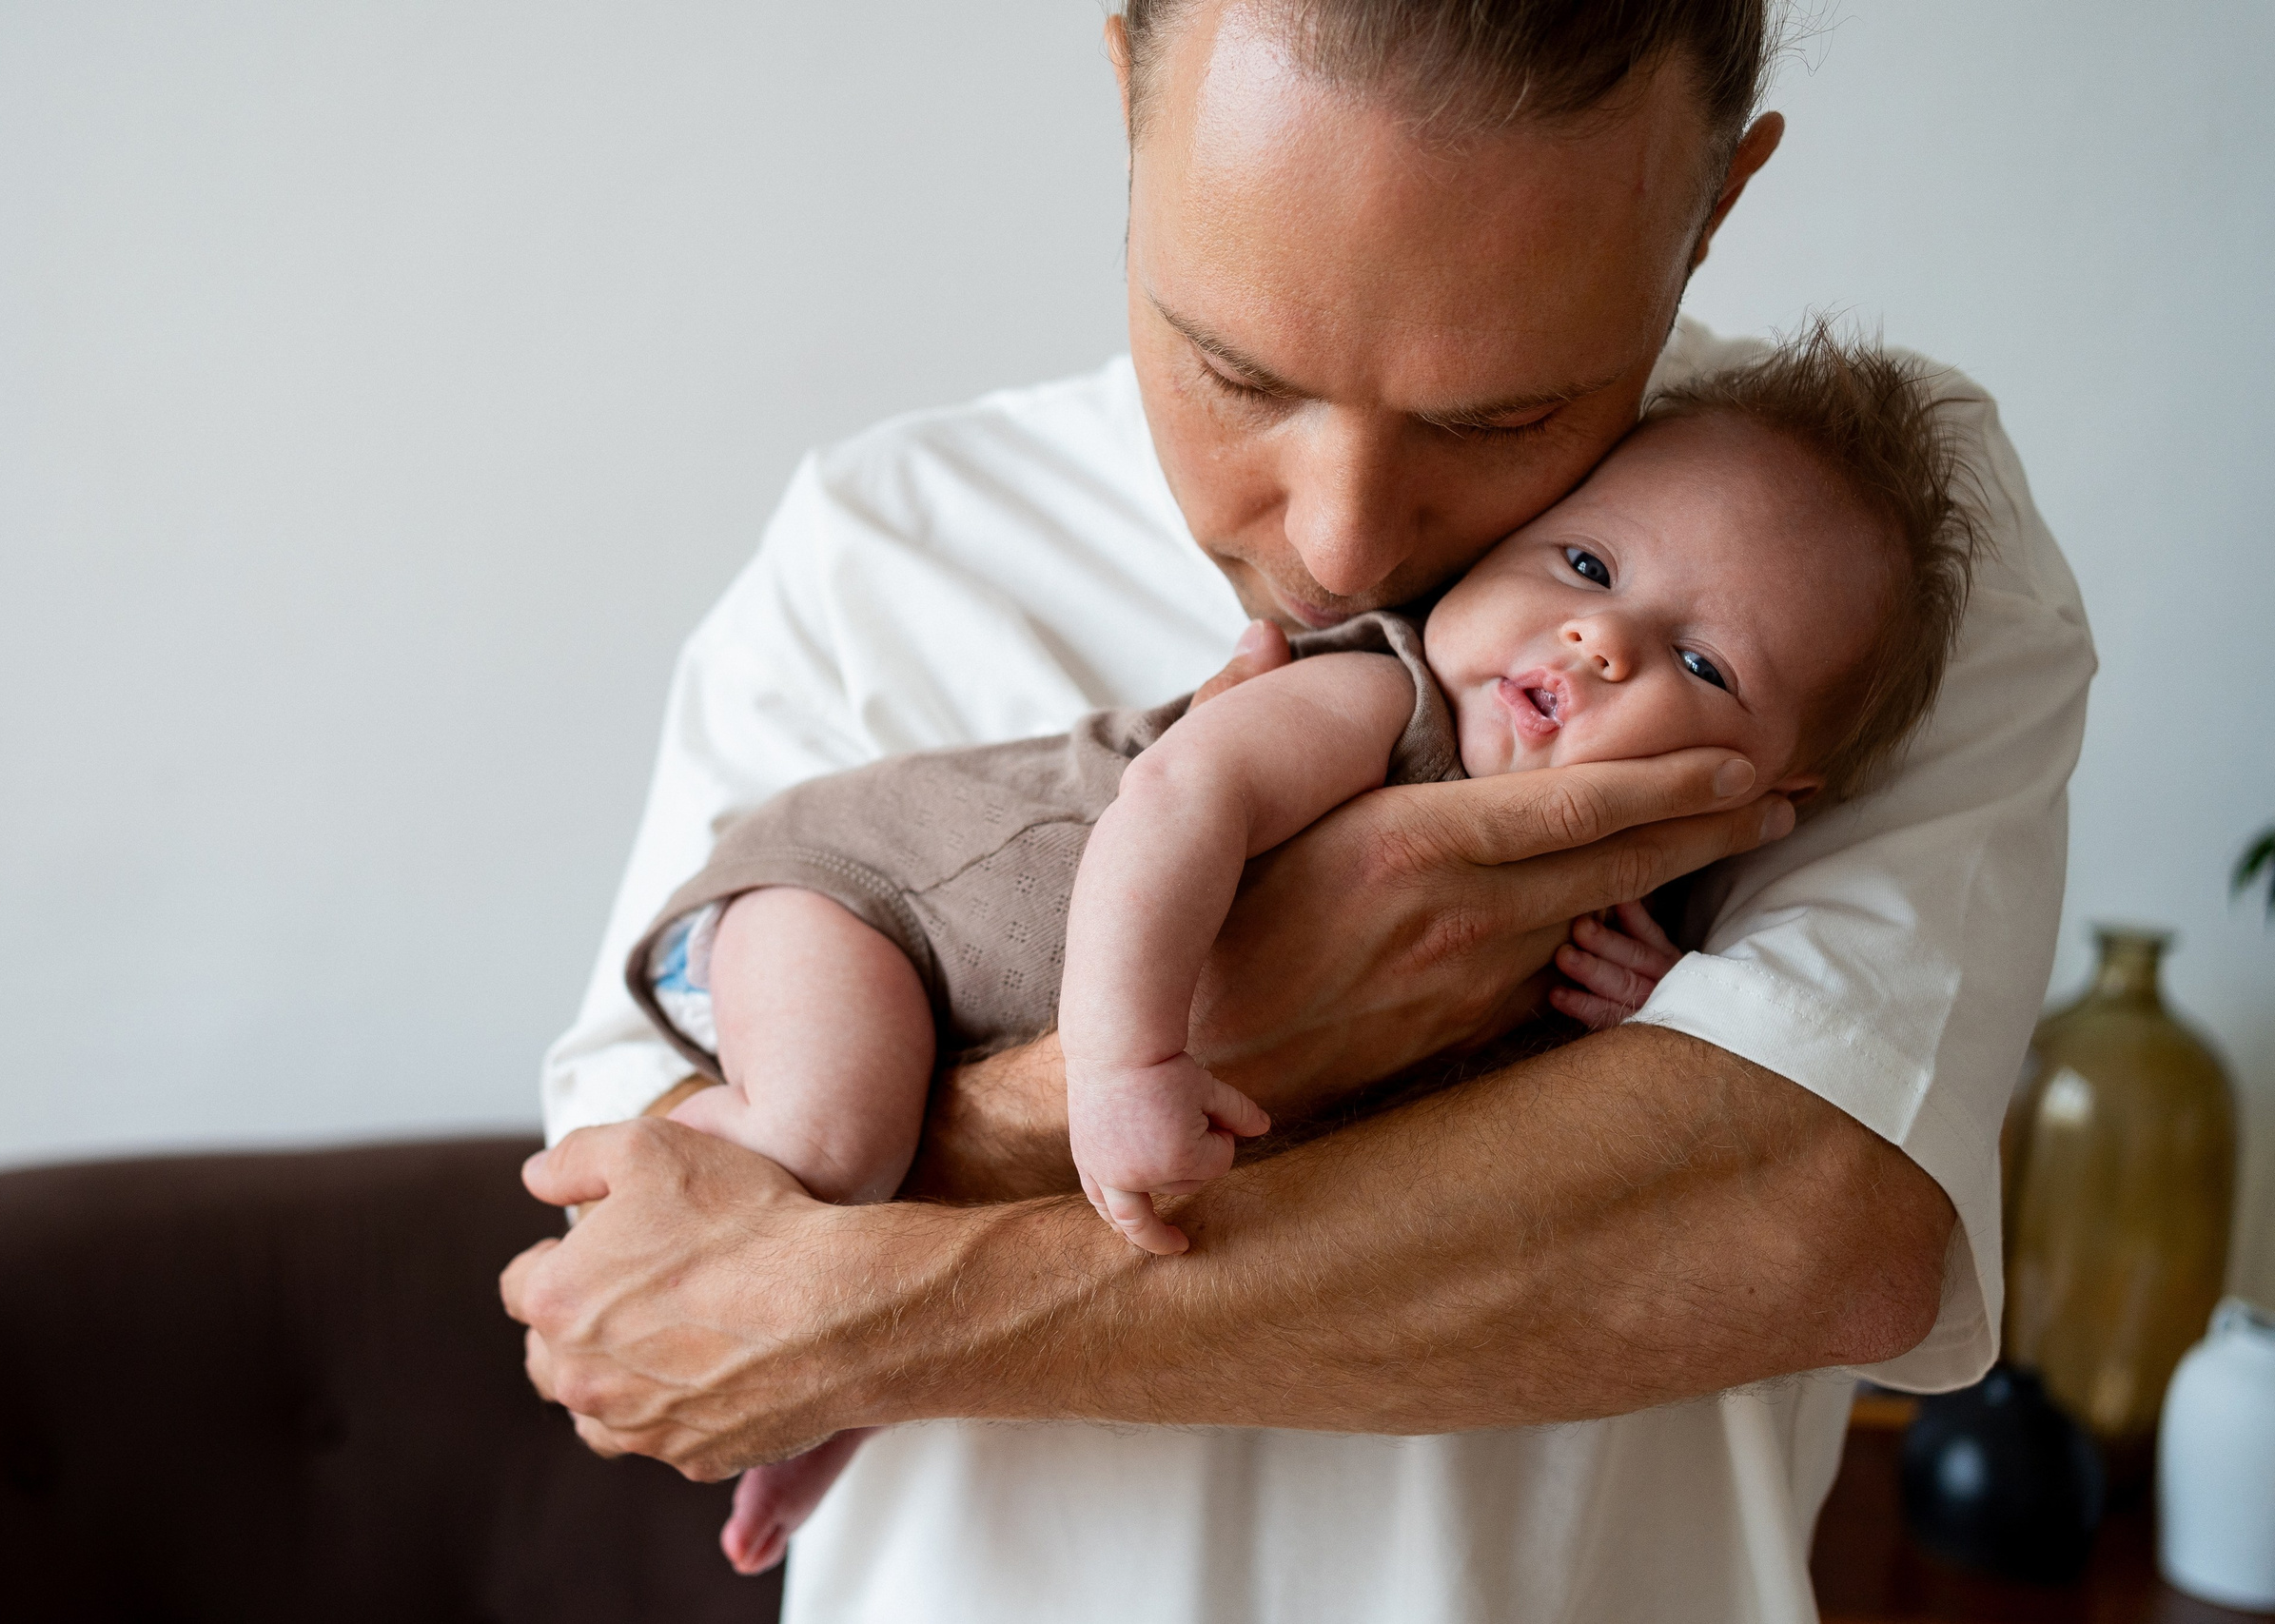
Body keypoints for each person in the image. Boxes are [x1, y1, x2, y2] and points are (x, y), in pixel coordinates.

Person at [504, 2, 2095, 1618]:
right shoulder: (874, 549)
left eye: (1501, 421)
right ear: (1127, 91)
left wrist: (854, 1305)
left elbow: (1806, 1232)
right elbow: (648, 1296)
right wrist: (1192, 1052)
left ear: (1717, 205)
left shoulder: (1855, 551)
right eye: (1235, 374)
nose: (1340, 550)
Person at [632, 329, 1981, 1575]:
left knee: (866, 1220)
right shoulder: (1383, 698)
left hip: (937, 990)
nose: (1601, 640)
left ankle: (836, 1400)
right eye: (1583, 566)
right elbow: (1177, 805)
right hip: (857, 906)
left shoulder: (1650, 900)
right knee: (834, 1146)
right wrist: (1124, 1065)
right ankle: (681, 1212)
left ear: (1779, 789)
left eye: (1702, 665)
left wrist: (1666, 998)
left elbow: (1683, 1130)